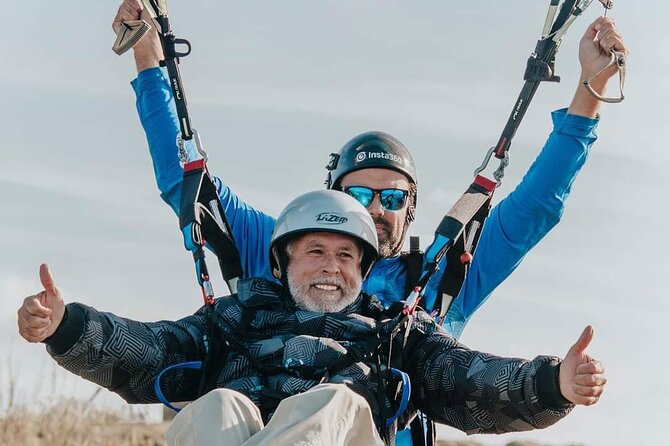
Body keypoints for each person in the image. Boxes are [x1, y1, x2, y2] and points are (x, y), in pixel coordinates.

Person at [113, 2, 625, 443]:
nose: (377, 208)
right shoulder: (282, 254)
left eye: (392, 197)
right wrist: (146, 56)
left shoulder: (437, 280)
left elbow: (534, 207)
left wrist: (591, 92)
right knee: (217, 409)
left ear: (412, 207)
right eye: (359, 193)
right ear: (328, 202)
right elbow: (187, 183)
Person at [18, 190, 606, 446]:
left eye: (346, 254)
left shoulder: (395, 332)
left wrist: (553, 382)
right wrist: (67, 325)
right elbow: (148, 349)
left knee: (340, 403)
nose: (332, 266)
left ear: (362, 267)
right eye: (316, 252)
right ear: (286, 262)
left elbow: (466, 377)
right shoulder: (234, 318)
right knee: (219, 406)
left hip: (344, 431)